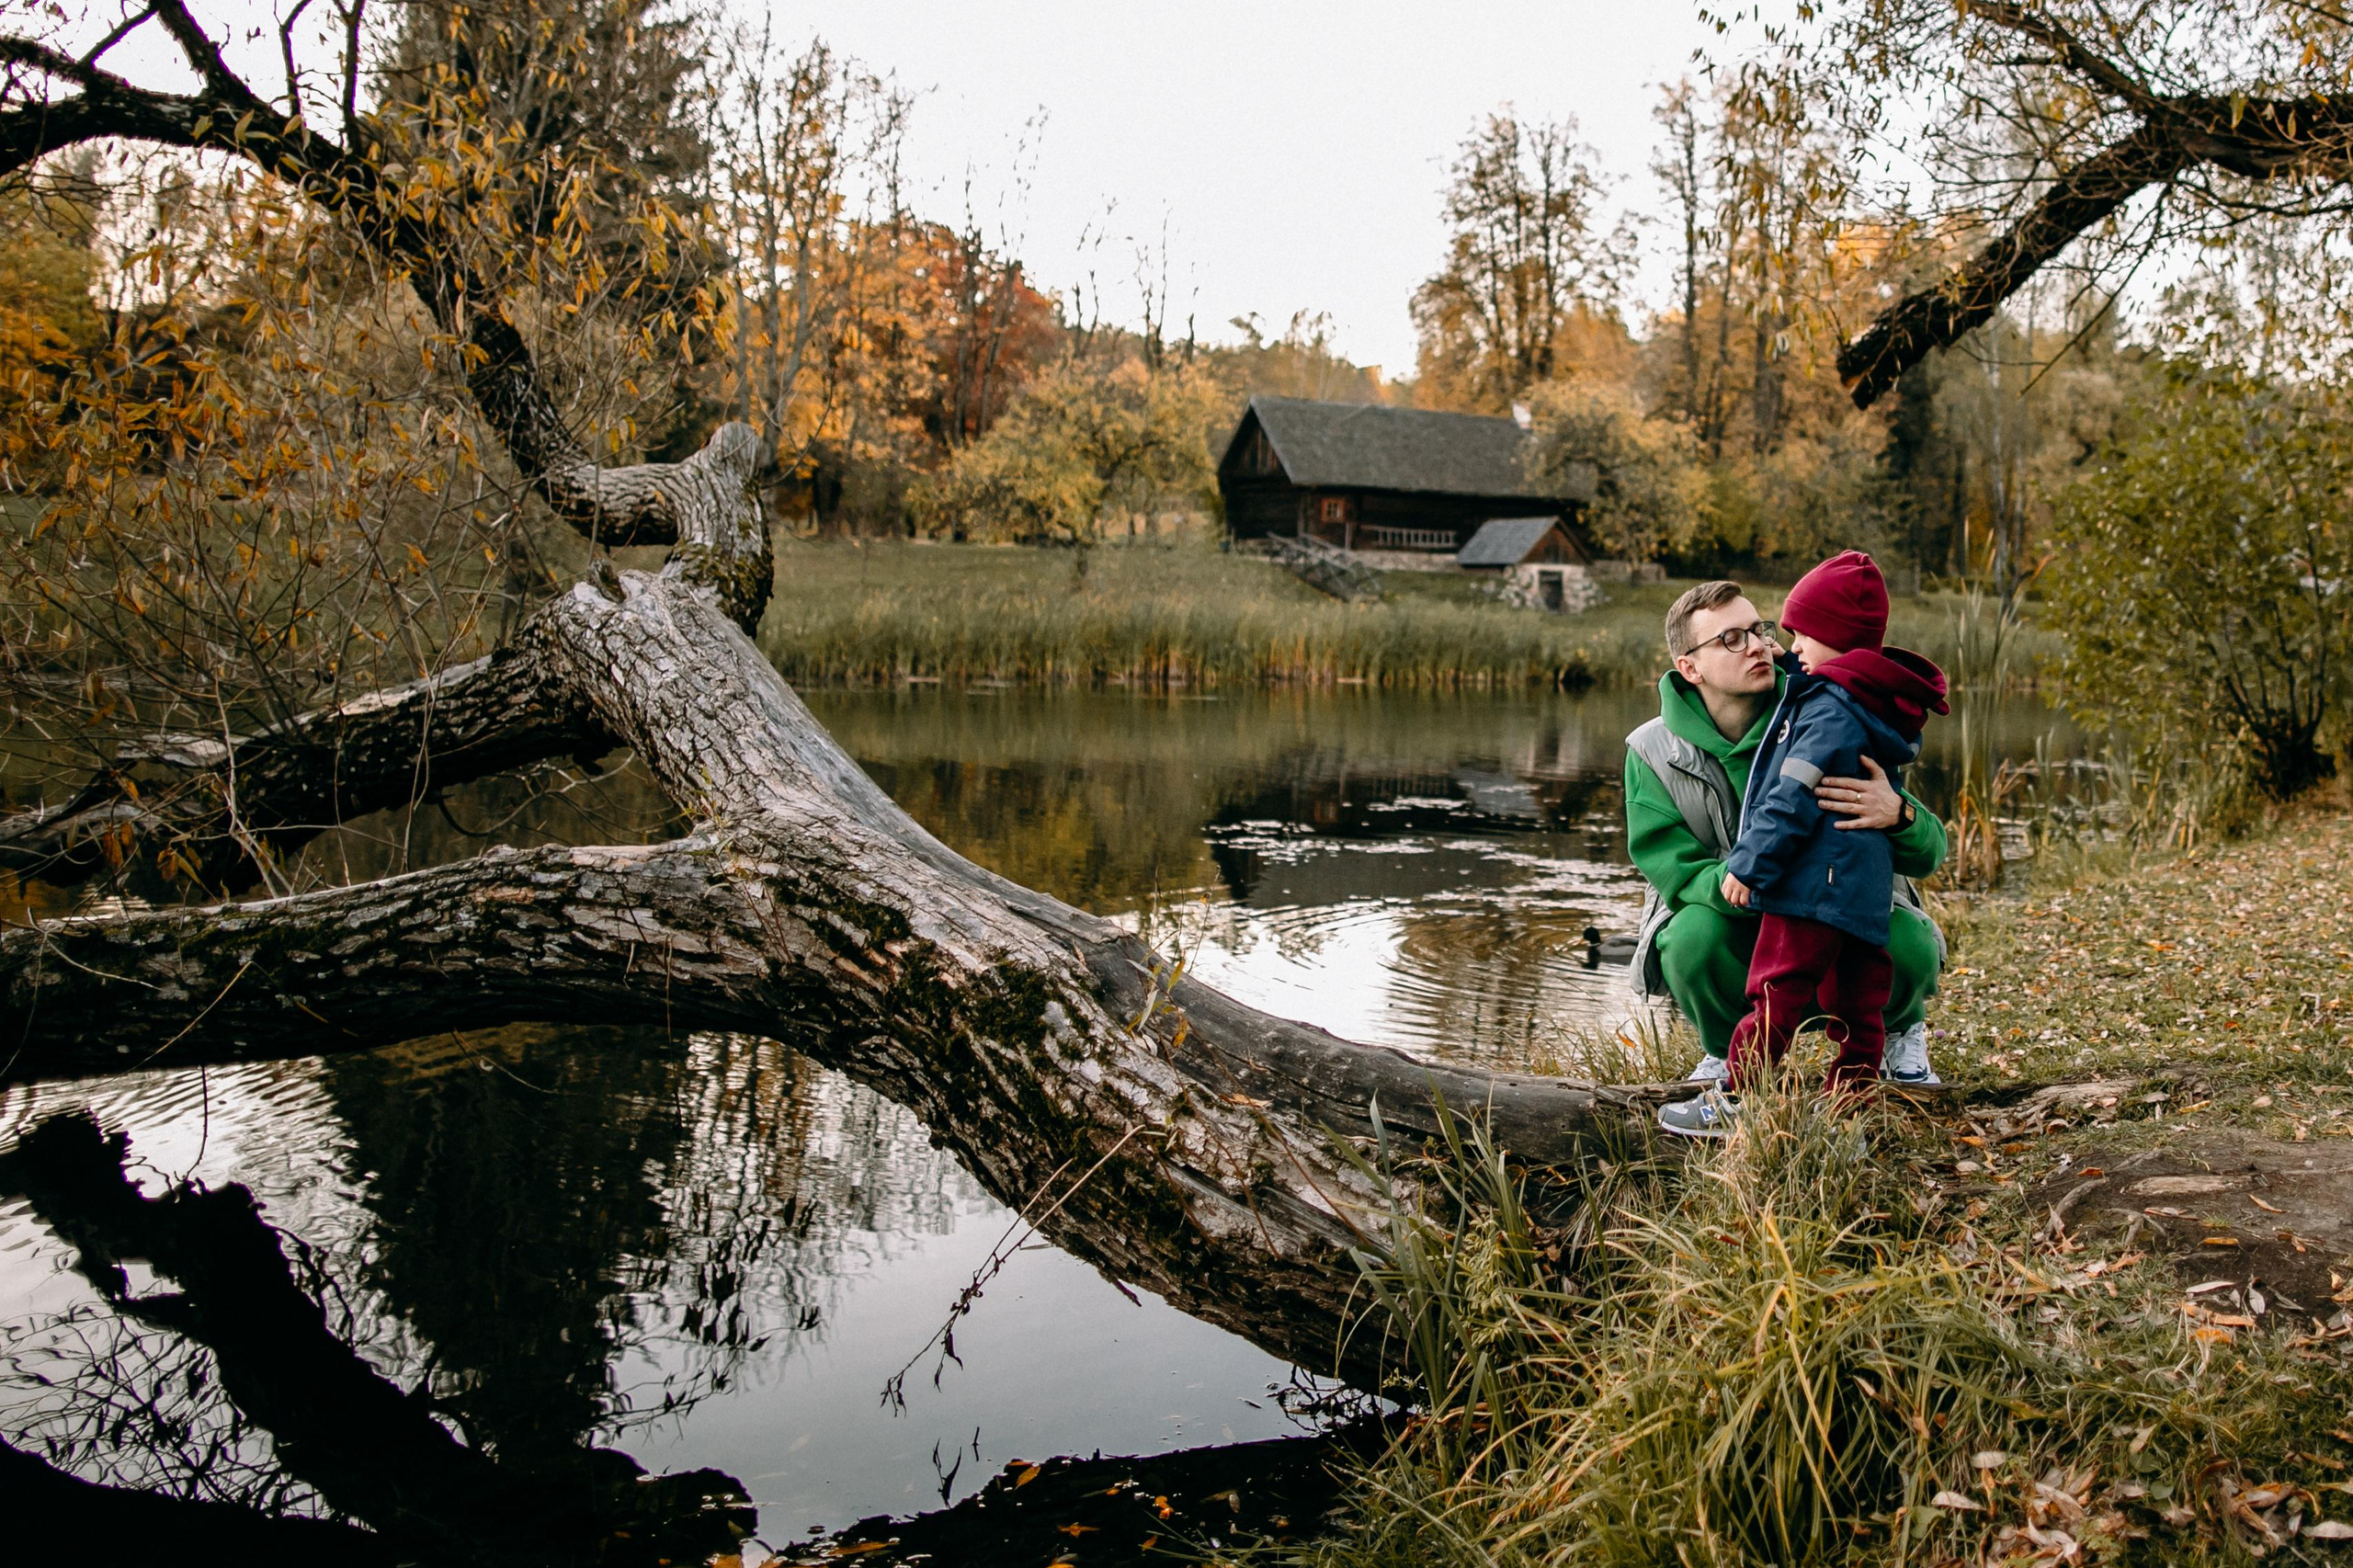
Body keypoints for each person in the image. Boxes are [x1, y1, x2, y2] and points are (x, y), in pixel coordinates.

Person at [1654, 552, 1949, 1138]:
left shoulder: (1821, 709)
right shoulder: (1653, 750)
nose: (1769, 646)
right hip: (1787, 903)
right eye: (1733, 638)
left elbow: (1924, 849)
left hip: (1811, 894)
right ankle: (1845, 1096)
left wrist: (1898, 812)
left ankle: (1738, 1095)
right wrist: (1741, 882)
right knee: (1695, 940)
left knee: (1796, 988)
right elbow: (1669, 865)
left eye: (1762, 630)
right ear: (1690, 667)